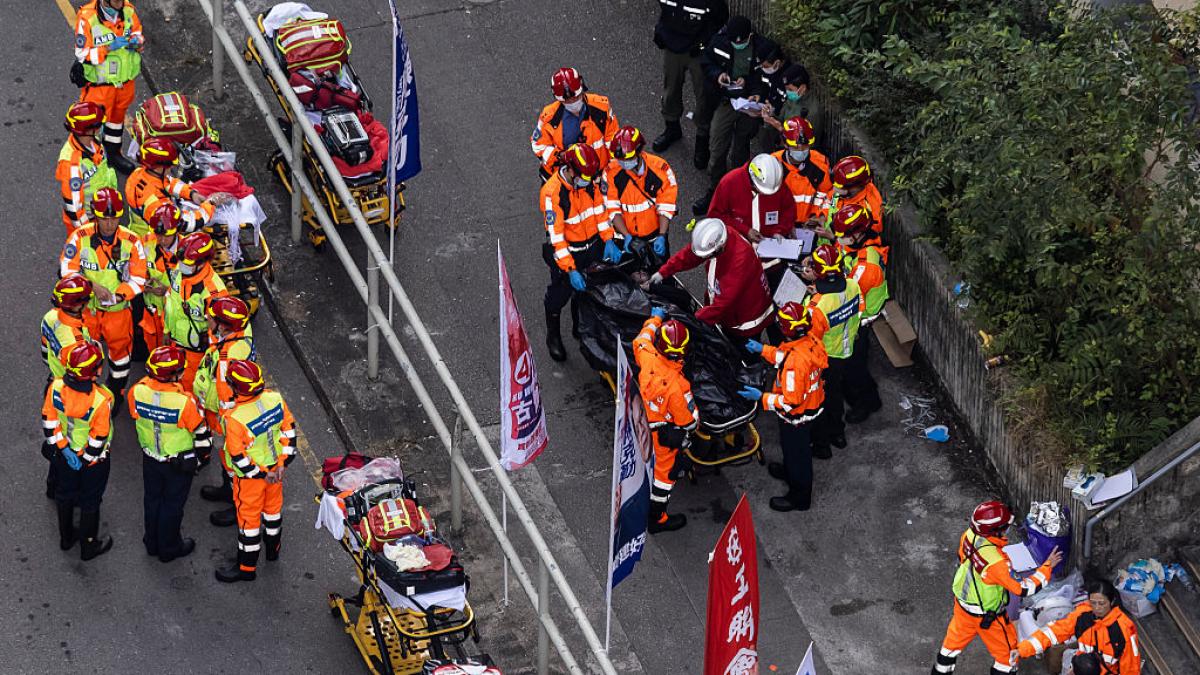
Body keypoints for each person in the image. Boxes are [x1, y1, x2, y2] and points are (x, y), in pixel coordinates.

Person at [930, 500, 1063, 675]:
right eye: (1006, 525)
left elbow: (962, 558)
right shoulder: (997, 563)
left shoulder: (970, 535)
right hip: (989, 617)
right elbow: (1023, 589)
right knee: (1007, 658)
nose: (1008, 528)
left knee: (949, 649)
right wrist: (1046, 568)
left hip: (962, 608)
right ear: (996, 530)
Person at [60, 187, 148, 399]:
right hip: (87, 311)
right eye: (104, 218)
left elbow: (139, 278)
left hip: (118, 312)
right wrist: (91, 287)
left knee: (120, 358)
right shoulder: (79, 238)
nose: (109, 224)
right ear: (96, 216)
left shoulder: (132, 241)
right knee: (84, 353)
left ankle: (116, 392)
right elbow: (66, 270)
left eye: (114, 218)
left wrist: (119, 296)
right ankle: (87, 392)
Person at [739, 302, 827, 511]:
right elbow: (788, 356)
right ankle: (790, 472)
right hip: (809, 407)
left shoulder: (795, 365)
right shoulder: (810, 340)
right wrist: (764, 350)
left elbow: (790, 401)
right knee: (792, 451)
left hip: (796, 416)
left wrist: (762, 398)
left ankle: (800, 497)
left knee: (799, 456)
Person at [215, 360, 297, 583]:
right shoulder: (275, 399)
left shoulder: (235, 419)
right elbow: (289, 432)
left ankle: (246, 568)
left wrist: (260, 474)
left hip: (251, 480)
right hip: (276, 472)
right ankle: (273, 551)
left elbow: (238, 457)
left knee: (248, 524)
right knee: (272, 512)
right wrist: (282, 463)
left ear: (233, 387)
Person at [128, 345, 210, 563]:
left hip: (150, 457)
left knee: (152, 500)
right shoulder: (184, 403)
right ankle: (169, 547)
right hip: (177, 463)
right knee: (172, 506)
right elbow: (201, 435)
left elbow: (134, 414)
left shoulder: (137, 391)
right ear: (175, 375)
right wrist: (200, 462)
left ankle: (152, 542)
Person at [539, 143, 621, 361]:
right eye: (585, 175)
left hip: (593, 247)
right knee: (558, 295)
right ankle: (553, 336)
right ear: (571, 169)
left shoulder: (590, 182)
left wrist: (609, 240)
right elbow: (557, 238)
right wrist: (570, 269)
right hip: (569, 253)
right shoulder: (552, 193)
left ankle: (580, 326)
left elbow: (600, 213)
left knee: (586, 290)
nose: (589, 179)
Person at [694, 15, 780, 213]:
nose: (738, 45)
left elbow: (767, 78)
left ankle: (739, 193)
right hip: (727, 101)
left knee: (741, 148)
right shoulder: (719, 42)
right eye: (735, 42)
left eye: (742, 42)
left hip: (749, 105)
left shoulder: (763, 49)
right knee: (717, 146)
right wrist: (719, 76)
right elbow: (707, 62)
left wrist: (754, 91)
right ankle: (715, 189)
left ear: (750, 36)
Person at [41, 340, 116, 560]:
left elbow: (49, 421)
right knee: (90, 502)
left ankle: (66, 538)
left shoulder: (55, 387)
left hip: (65, 457)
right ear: (95, 372)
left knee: (64, 496)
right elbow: (99, 437)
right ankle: (88, 546)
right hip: (93, 462)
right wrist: (84, 460)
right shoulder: (102, 399)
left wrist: (64, 450)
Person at [649, 217, 774, 338]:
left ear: (717, 250)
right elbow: (690, 255)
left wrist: (692, 320)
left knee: (741, 352)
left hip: (746, 320)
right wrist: (663, 272)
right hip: (732, 311)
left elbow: (723, 304)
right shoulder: (720, 238)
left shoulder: (739, 261)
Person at [633, 308, 697, 533]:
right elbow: (689, 422)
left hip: (642, 422)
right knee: (663, 479)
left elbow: (641, 338)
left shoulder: (648, 357)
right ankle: (657, 519)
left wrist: (656, 317)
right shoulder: (678, 387)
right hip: (664, 438)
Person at [194, 296, 256, 528]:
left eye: (211, 318)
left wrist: (224, 423)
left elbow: (225, 394)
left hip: (227, 419)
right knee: (226, 461)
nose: (207, 318)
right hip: (222, 415)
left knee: (234, 463)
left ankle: (237, 505)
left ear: (223, 325)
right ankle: (227, 490)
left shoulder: (228, 357)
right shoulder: (238, 332)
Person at [652, 0, 727, 165]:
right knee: (671, 89)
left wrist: (703, 45)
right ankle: (672, 128)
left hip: (698, 51)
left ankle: (702, 138)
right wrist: (661, 32)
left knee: (703, 95)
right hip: (672, 47)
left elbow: (720, 20)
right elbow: (664, 11)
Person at [804, 244, 862, 456]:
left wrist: (812, 297)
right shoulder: (854, 285)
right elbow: (859, 311)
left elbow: (810, 339)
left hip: (826, 358)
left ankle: (824, 440)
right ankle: (838, 435)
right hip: (847, 349)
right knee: (836, 394)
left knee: (824, 399)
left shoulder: (817, 307)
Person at [40, 275, 95, 500]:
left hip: (54, 381)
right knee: (72, 440)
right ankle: (69, 491)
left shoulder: (50, 317)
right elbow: (82, 370)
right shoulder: (75, 341)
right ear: (78, 304)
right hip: (70, 392)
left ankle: (53, 485)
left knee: (57, 438)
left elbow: (45, 352)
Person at [73, 0, 144, 174]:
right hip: (100, 88)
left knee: (116, 123)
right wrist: (107, 48)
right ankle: (89, 163)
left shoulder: (128, 10)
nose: (121, 4)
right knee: (91, 125)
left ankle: (114, 154)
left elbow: (138, 33)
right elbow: (82, 54)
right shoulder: (87, 18)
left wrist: (138, 41)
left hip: (124, 85)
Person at [832, 204, 885, 424]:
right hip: (857, 318)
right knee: (857, 365)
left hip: (858, 322)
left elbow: (847, 293)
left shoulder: (867, 266)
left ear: (858, 234)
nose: (840, 239)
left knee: (853, 368)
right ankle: (871, 399)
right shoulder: (858, 249)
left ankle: (862, 404)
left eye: (844, 236)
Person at [1018, 580, 1141, 675]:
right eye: (1093, 603)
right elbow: (1054, 632)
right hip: (1083, 668)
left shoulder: (1123, 629)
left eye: (1102, 603)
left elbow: (1130, 668)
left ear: (1112, 601)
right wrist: (1022, 649)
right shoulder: (1082, 616)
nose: (1097, 608)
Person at [604, 126, 679, 268]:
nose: (623, 163)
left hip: (655, 236)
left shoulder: (660, 169)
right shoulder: (611, 173)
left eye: (627, 158)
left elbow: (666, 206)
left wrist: (662, 236)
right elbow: (612, 208)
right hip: (627, 239)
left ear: (639, 151)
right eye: (619, 159)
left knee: (661, 274)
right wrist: (626, 235)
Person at [164, 232, 228, 392]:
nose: (182, 265)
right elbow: (171, 303)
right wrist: (166, 331)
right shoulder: (180, 273)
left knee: (190, 396)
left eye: (187, 263)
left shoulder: (215, 292)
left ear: (202, 263)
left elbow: (220, 333)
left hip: (197, 355)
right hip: (175, 344)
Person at [531, 67, 620, 182]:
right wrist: (559, 155)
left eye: (576, 98)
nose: (573, 103)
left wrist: (611, 172)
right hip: (567, 179)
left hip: (598, 177)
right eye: (568, 101)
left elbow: (612, 140)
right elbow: (538, 145)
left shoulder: (601, 107)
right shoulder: (549, 118)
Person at [124, 139, 218, 236]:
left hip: (140, 229)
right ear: (158, 167)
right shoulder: (153, 203)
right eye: (170, 165)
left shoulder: (140, 173)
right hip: (154, 241)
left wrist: (191, 194)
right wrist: (210, 204)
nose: (172, 168)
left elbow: (168, 183)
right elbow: (185, 224)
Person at [56, 101, 118, 234]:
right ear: (89, 130)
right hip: (88, 222)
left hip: (101, 211)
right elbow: (74, 210)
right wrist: (90, 233)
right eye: (99, 124)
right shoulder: (71, 164)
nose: (101, 126)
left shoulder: (92, 142)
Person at [706, 153, 794, 243]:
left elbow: (789, 209)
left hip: (770, 247)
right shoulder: (729, 183)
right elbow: (715, 216)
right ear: (753, 179)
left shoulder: (774, 183)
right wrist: (745, 230)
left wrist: (779, 231)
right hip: (738, 246)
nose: (765, 195)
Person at [138, 202, 184, 353]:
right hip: (152, 315)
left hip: (175, 320)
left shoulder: (188, 254)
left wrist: (167, 291)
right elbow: (133, 268)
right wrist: (143, 282)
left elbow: (191, 289)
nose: (162, 240)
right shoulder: (145, 242)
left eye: (166, 235)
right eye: (159, 235)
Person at [771, 117, 832, 228]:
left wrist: (821, 216)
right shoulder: (773, 164)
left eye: (805, 146)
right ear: (785, 144)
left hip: (810, 226)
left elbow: (829, 194)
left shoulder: (821, 163)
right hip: (779, 226)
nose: (801, 150)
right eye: (796, 147)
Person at [761, 65, 822, 146]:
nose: (787, 92)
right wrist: (771, 115)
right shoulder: (793, 99)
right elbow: (781, 119)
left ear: (803, 88)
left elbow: (804, 147)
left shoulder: (812, 112)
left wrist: (781, 129)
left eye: (790, 89)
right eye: (786, 89)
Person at [826, 155, 884, 239]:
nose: (836, 189)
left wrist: (833, 238)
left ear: (856, 185)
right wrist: (820, 216)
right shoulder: (840, 190)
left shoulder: (869, 207)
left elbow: (859, 242)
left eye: (842, 187)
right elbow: (828, 204)